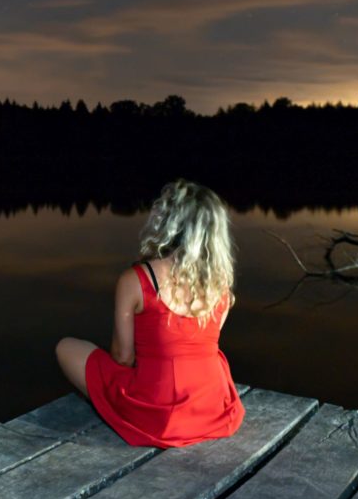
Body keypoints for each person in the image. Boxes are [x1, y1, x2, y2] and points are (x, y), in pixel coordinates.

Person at [55, 178, 245, 447]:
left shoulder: (137, 280)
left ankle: (113, 409)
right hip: (213, 409)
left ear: (167, 222)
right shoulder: (220, 286)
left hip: (162, 417)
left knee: (66, 347)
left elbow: (123, 356)